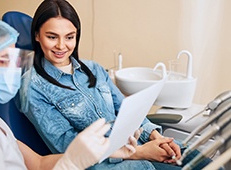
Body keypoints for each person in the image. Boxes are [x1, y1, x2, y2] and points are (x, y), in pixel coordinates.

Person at [19, 0, 212, 169]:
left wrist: (156, 137)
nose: (62, 46)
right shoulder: (32, 87)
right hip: (106, 164)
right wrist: (139, 152)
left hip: (139, 145)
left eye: (69, 37)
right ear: (37, 35)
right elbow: (68, 147)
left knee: (205, 162)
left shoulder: (94, 69)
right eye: (52, 37)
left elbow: (126, 110)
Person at [0, 13, 140, 170]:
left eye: (15, 59)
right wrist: (69, 165)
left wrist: (106, 151)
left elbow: (38, 163)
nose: (13, 69)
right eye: (3, 60)